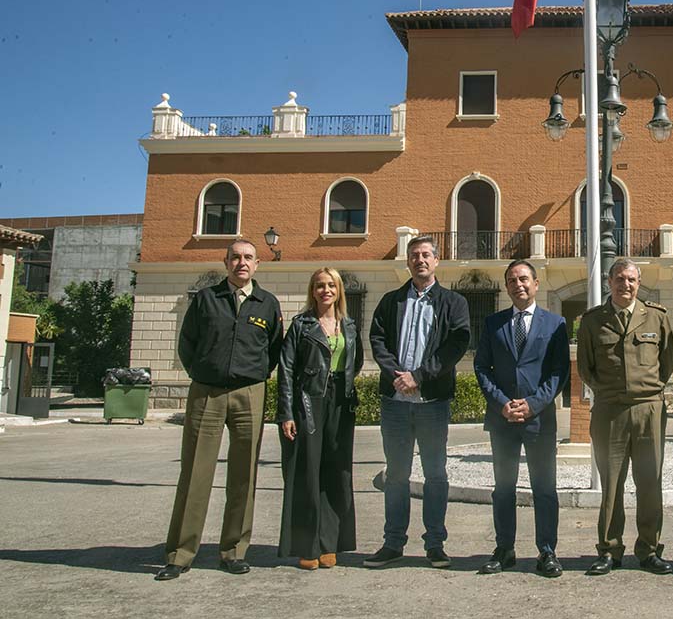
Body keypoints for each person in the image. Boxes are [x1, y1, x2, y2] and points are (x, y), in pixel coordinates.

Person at [156, 239, 284, 581]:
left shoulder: (267, 304)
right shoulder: (207, 300)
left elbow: (273, 350)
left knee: (244, 475)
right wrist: (202, 373)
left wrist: (255, 375)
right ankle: (180, 553)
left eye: (248, 258)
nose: (241, 263)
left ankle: (234, 550)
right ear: (225, 262)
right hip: (207, 393)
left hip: (249, 393)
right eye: (236, 258)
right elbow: (188, 343)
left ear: (257, 264)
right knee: (195, 473)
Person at [365, 235, 471, 569]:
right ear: (408, 261)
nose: (420, 260)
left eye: (426, 255)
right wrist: (397, 374)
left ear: (437, 261)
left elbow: (456, 345)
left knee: (436, 475)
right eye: (414, 255)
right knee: (396, 475)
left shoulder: (454, 303)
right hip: (395, 401)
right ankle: (393, 543)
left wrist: (420, 377)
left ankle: (435, 544)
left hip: (432, 402)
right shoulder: (391, 301)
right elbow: (377, 339)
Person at [577, 258, 673, 575]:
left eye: (631, 279)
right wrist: (612, 392)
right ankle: (609, 549)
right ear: (609, 282)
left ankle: (649, 549)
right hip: (610, 411)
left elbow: (667, 360)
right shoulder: (592, 321)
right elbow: (585, 368)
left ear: (639, 281)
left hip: (649, 409)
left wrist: (648, 391)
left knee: (650, 482)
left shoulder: (656, 317)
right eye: (619, 279)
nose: (626, 285)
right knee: (611, 484)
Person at [473, 259, 570, 578]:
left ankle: (547, 551)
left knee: (544, 488)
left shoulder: (555, 324)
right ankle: (505, 549)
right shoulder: (492, 323)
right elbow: (481, 369)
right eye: (512, 280)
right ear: (506, 286)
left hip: (538, 421)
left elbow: (559, 373)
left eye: (524, 279)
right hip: (502, 420)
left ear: (536, 283)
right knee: (503, 488)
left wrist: (532, 404)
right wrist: (501, 403)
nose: (519, 284)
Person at [276, 267, 363, 570]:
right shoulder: (301, 325)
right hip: (308, 401)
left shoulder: (349, 325)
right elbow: (286, 370)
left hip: (341, 403)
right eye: (319, 286)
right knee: (307, 473)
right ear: (312, 291)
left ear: (339, 290)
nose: (325, 290)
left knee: (336, 473)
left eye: (331, 285)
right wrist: (286, 412)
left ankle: (330, 543)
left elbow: (357, 360)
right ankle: (307, 545)